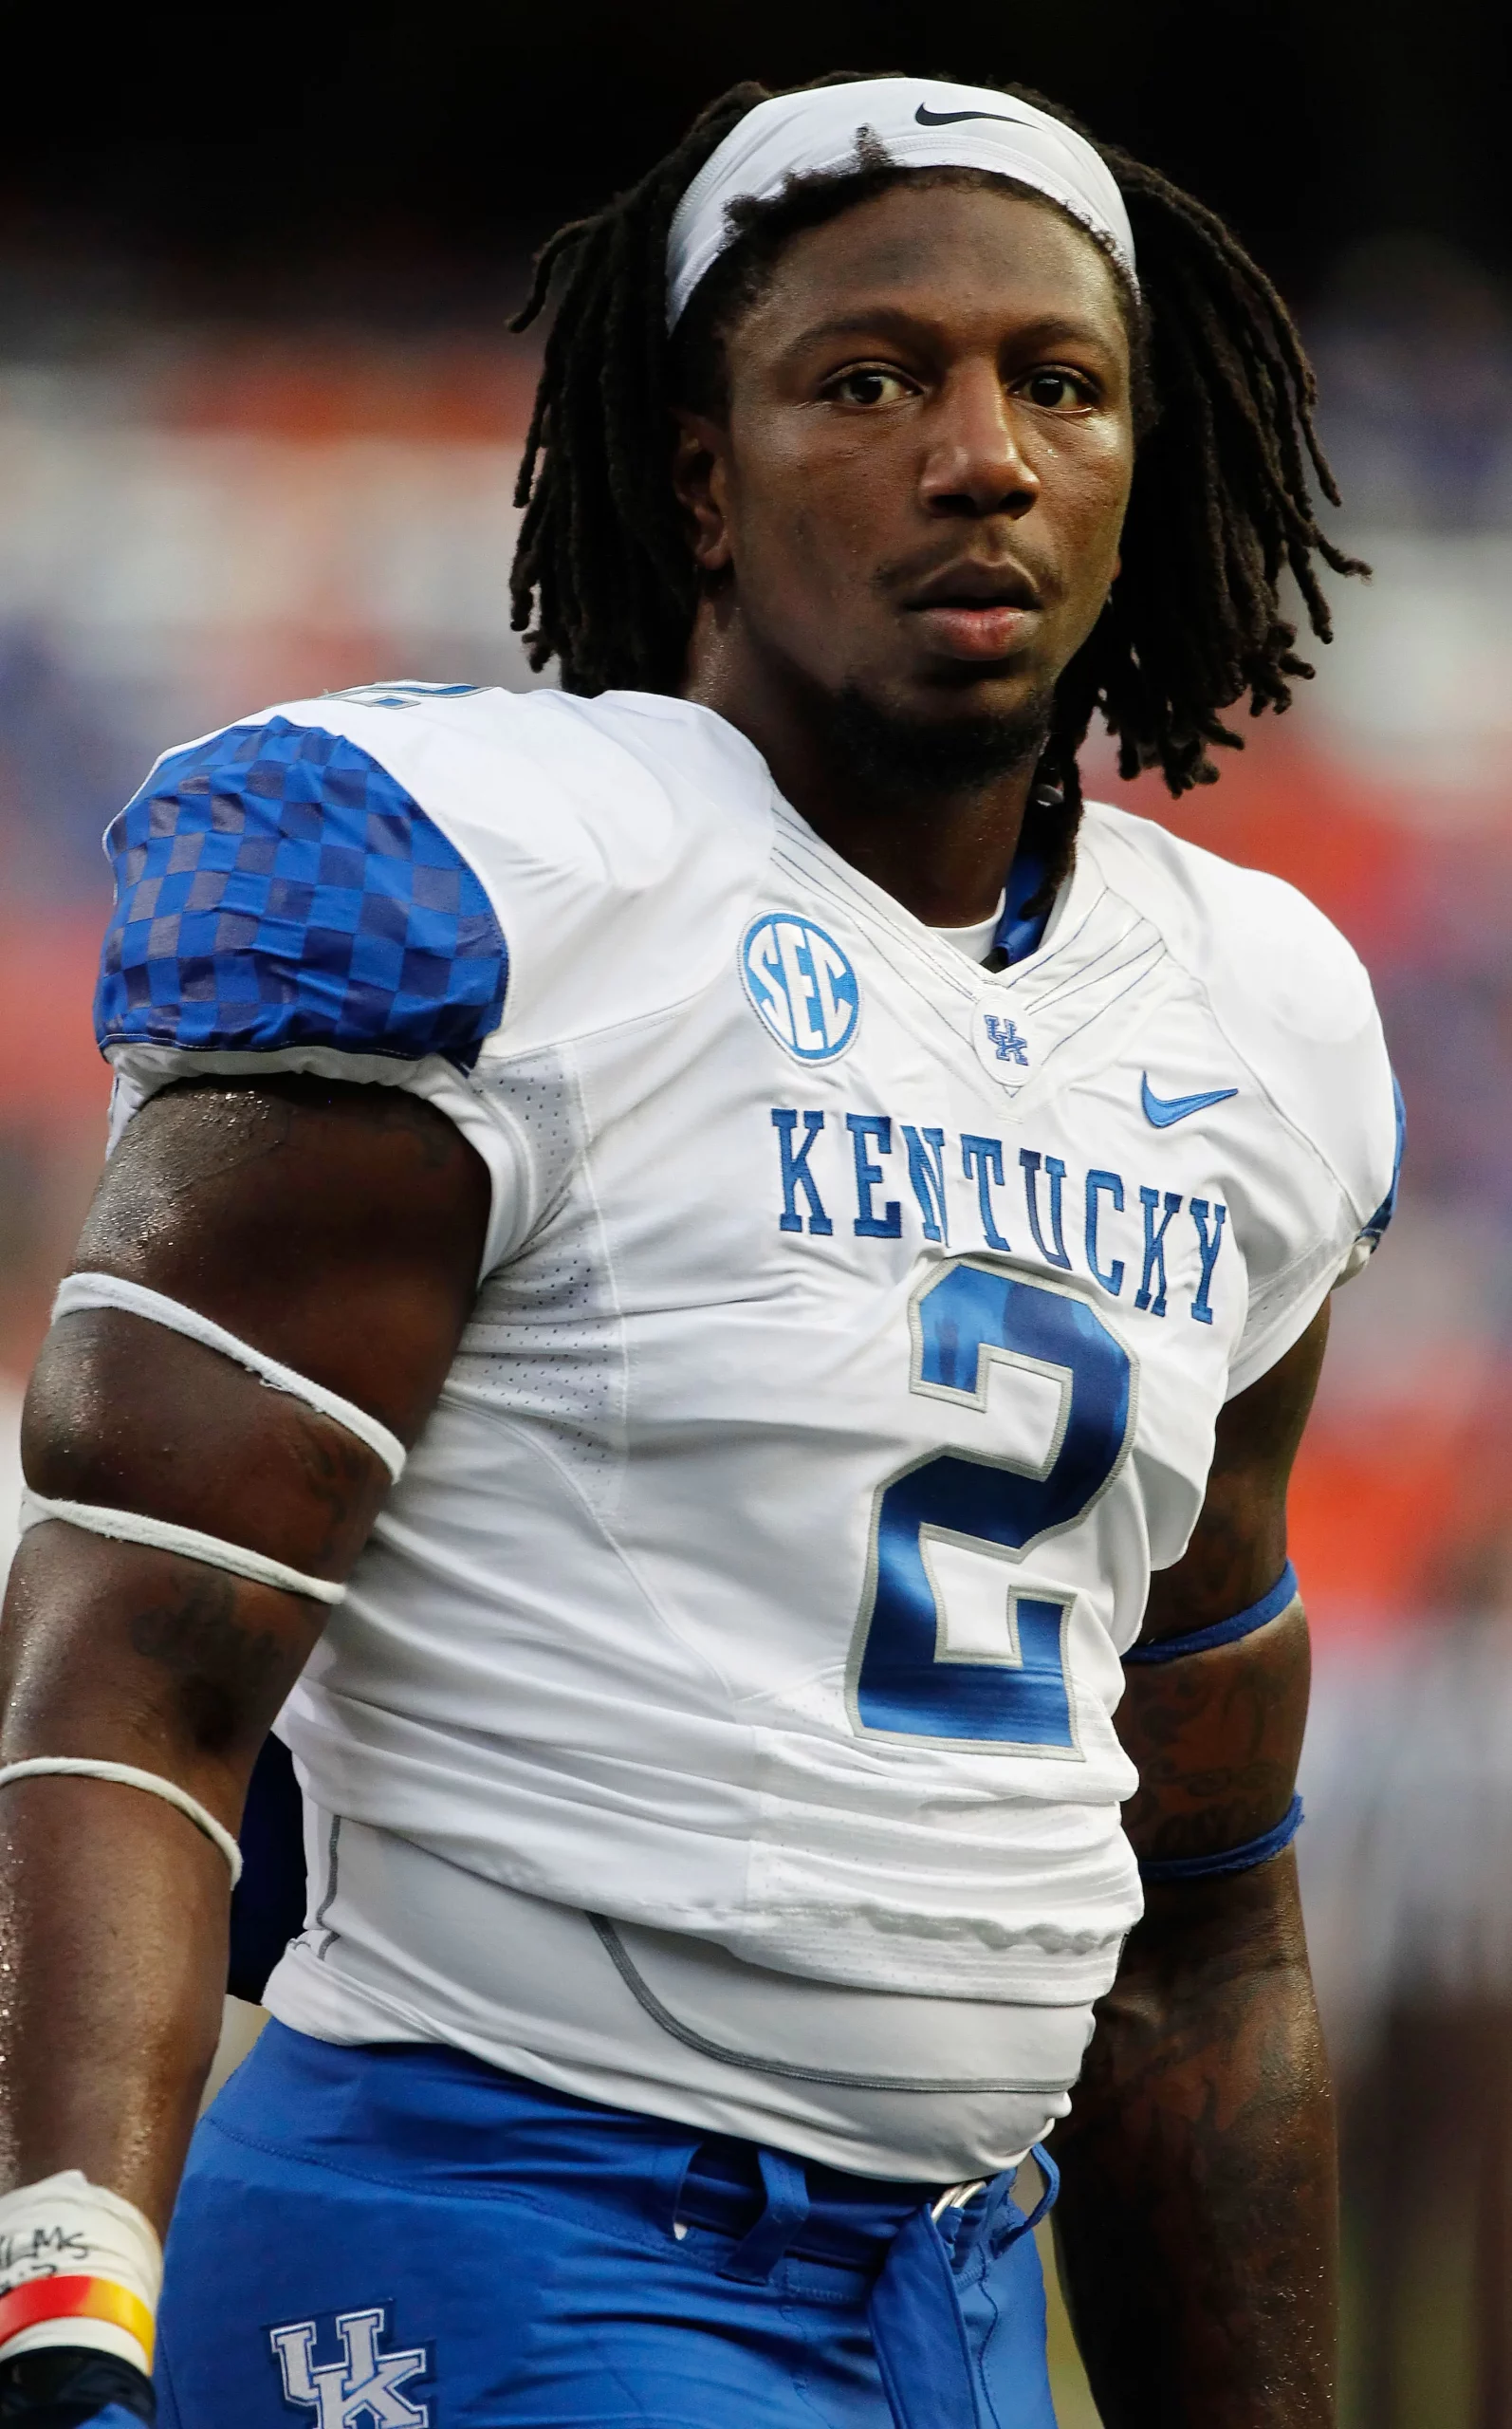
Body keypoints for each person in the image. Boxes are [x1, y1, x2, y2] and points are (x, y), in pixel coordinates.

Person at [0, 70, 1399, 2429]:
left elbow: (1192, 1885)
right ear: (696, 475)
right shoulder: (501, 887)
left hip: (956, 2282)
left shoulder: (1259, 1022)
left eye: (1055, 385)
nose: (981, 454)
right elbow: (137, 1654)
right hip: (494, 2219)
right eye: (869, 380)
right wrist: (62, 2313)